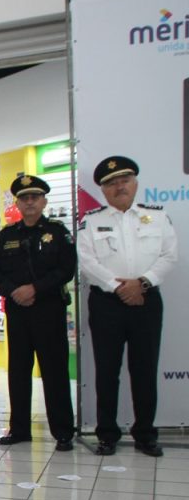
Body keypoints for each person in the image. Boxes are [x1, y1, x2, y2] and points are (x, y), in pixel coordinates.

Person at [77, 156, 177, 457]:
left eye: (125, 180)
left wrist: (141, 283)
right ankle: (107, 434)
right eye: (111, 183)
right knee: (107, 371)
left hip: (146, 300)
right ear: (103, 189)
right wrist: (119, 287)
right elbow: (87, 261)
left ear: (135, 183)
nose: (119, 187)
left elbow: (169, 256)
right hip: (106, 303)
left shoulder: (157, 217)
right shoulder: (91, 221)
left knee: (144, 369)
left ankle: (145, 434)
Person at [0, 175, 76, 451]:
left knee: (54, 371)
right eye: (24, 198)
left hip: (49, 309)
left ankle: (63, 431)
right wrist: (14, 291)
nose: (29, 202)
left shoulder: (57, 232)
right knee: (18, 370)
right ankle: (19, 429)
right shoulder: (6, 236)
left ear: (44, 202)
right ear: (17, 203)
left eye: (34, 197)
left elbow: (66, 269)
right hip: (18, 310)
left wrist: (35, 288)